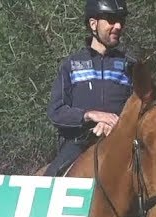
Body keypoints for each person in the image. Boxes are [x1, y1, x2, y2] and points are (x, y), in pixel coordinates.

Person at [44, 0, 134, 177]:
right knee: (49, 182)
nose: (118, 26)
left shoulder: (130, 65)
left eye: (121, 20)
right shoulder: (70, 65)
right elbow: (56, 112)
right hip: (78, 144)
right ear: (93, 24)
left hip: (122, 141)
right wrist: (90, 115)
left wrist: (117, 126)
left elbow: (143, 110)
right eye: (111, 19)